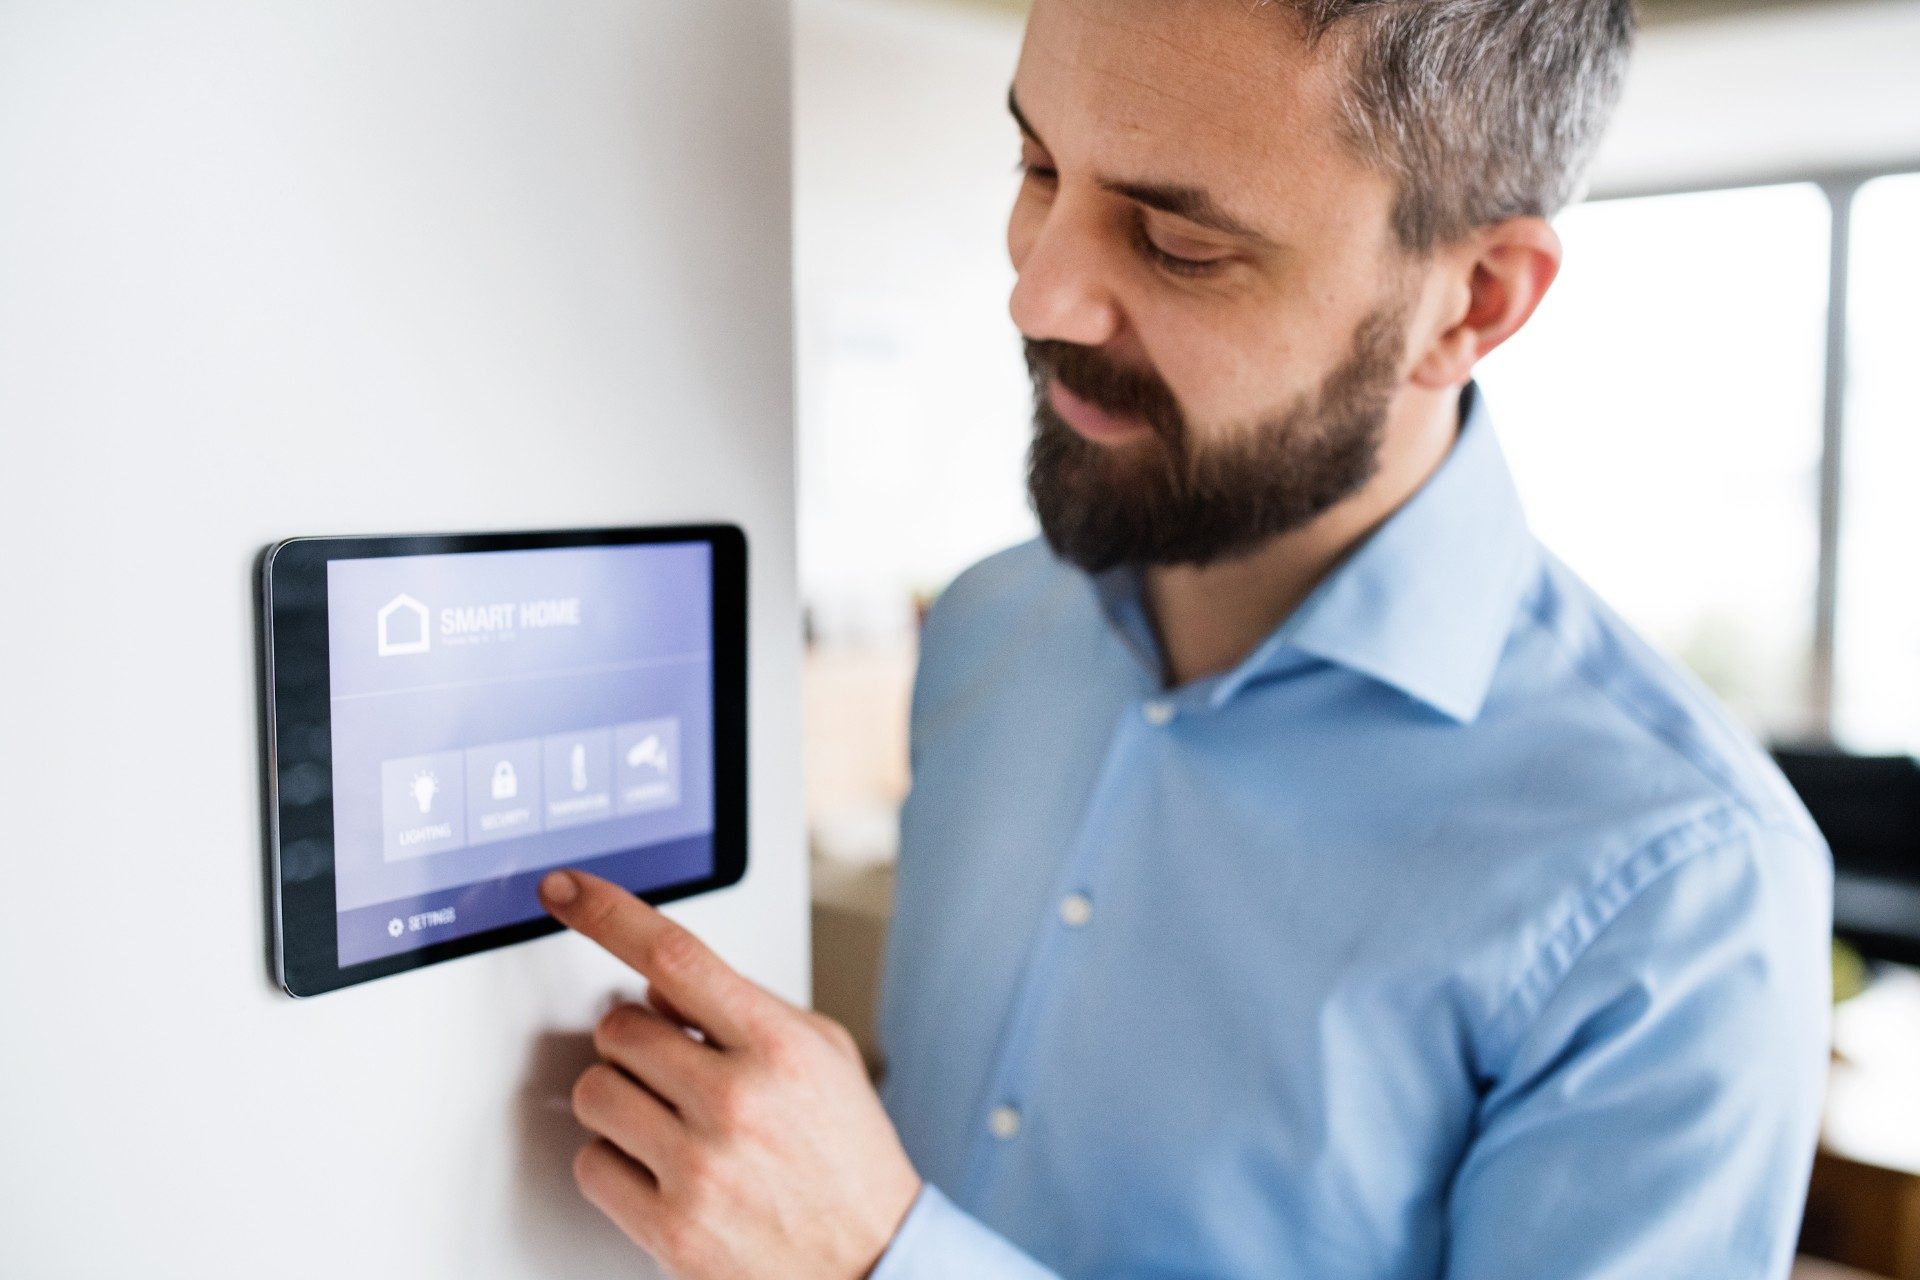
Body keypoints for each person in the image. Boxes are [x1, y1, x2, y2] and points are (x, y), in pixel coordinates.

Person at [539, 0, 1834, 1275]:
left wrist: (883, 1258)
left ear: (1473, 303)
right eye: (1038, 165)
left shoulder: (1686, 891)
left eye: (1176, 243)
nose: (1037, 295)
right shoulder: (991, 627)